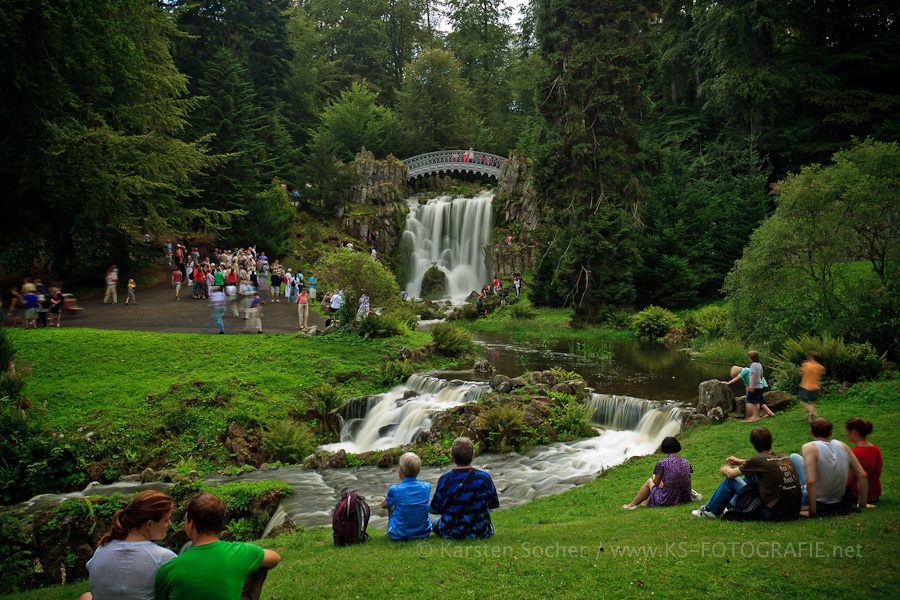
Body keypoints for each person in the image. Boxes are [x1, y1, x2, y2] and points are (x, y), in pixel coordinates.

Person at [155, 493, 280, 600]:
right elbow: (275, 558)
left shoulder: (169, 569)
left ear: (191, 523)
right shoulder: (240, 552)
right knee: (259, 564)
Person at [80, 490, 176, 600]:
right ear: (149, 524)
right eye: (166, 520)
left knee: (86, 596)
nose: (169, 523)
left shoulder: (101, 550)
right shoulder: (163, 557)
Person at [692, 426, 802, 521]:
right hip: (793, 511)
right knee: (753, 475)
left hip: (772, 513)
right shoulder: (783, 457)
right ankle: (734, 504)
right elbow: (765, 465)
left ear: (754, 444)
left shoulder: (758, 460)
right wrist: (740, 462)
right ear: (771, 440)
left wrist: (724, 468)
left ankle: (709, 511)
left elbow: (731, 474)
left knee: (731, 481)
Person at [793, 418, 869, 517]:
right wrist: (862, 504)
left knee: (793, 458)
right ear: (831, 433)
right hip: (837, 499)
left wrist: (812, 512)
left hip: (817, 501)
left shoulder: (810, 447)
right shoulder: (843, 445)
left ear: (811, 432)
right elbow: (862, 475)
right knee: (796, 457)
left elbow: (811, 481)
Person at [429, 437, 499, 539]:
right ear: (473, 455)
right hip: (481, 531)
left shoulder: (445, 479)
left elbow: (435, 509)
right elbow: (493, 504)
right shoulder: (484, 477)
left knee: (433, 521)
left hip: (451, 532)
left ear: (452, 455)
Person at [623, 437, 696, 509]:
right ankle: (646, 501)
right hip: (685, 497)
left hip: (668, 499)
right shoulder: (686, 462)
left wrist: (654, 476)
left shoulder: (661, 463)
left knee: (649, 481)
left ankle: (631, 505)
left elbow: (656, 482)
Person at [381, 452, 432, 541]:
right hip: (424, 532)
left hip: (400, 534)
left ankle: (390, 530)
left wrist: (388, 499)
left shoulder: (395, 490)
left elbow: (383, 505)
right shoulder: (426, 487)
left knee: (391, 504)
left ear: (400, 471)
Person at [844, 418, 882, 505]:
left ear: (854, 432)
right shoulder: (876, 449)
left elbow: (848, 482)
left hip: (857, 494)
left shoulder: (854, 453)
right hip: (875, 494)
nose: (846, 435)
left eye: (847, 432)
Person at [799, 351, 825, 423]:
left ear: (812, 358)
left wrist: (803, 364)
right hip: (815, 387)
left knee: (802, 401)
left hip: (806, 386)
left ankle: (813, 413)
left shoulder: (806, 365)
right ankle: (810, 417)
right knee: (811, 402)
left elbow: (801, 374)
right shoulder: (820, 367)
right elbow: (821, 376)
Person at [743, 350, 765, 422]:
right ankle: (755, 417)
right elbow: (761, 375)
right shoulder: (759, 365)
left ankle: (749, 417)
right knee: (756, 402)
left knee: (748, 401)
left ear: (751, 358)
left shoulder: (753, 365)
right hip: (760, 386)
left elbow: (754, 375)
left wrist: (751, 386)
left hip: (754, 386)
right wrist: (759, 382)